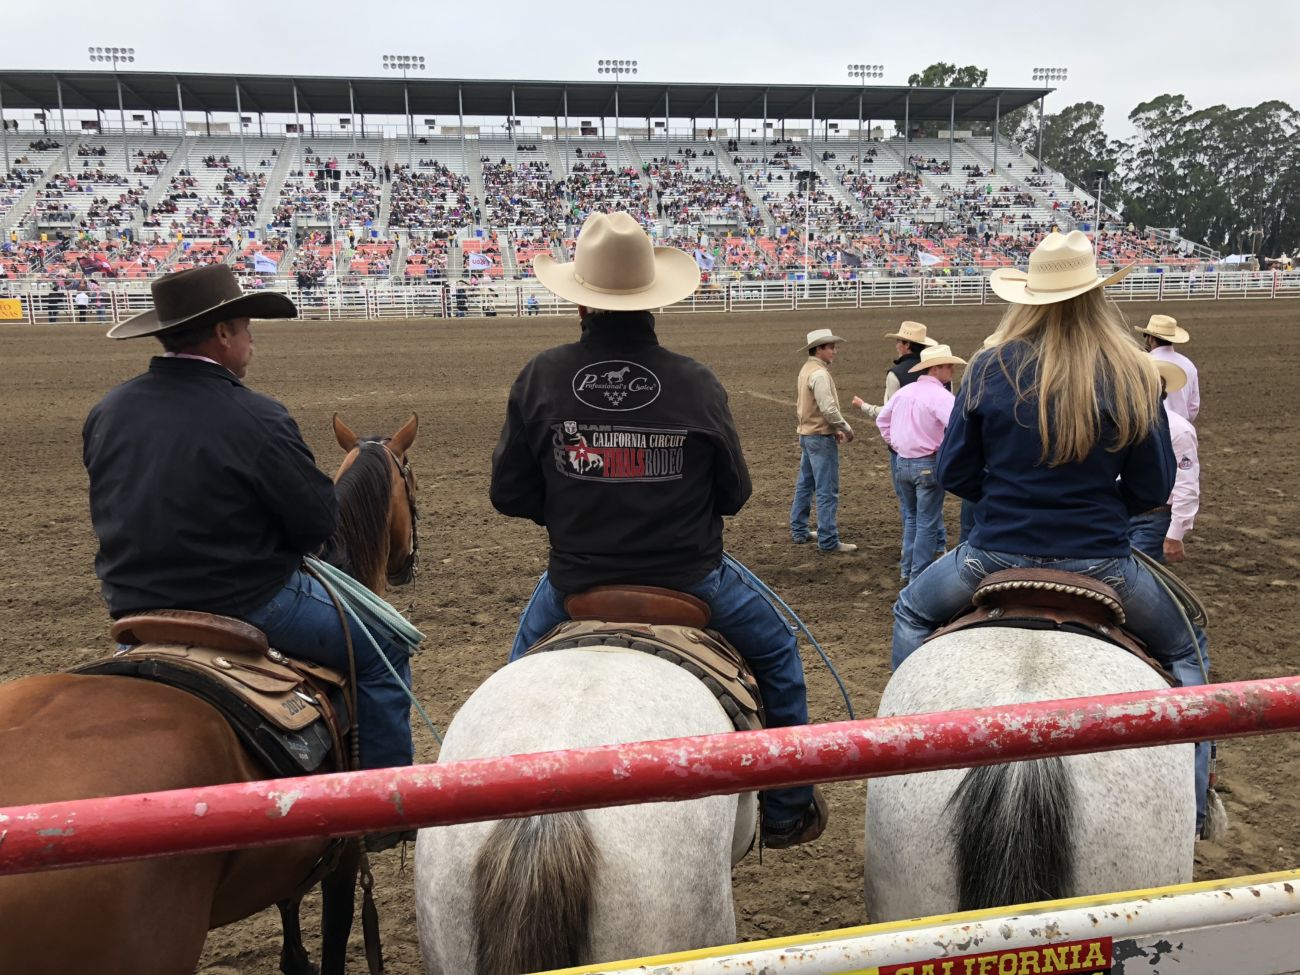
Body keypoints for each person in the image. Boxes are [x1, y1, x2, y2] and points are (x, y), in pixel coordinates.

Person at [490, 211, 827, 849]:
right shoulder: (696, 381)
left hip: (576, 582)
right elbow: (735, 493)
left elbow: (508, 493)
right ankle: (785, 805)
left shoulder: (540, 375)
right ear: (654, 303)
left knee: (514, 684)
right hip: (692, 578)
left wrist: (575, 503)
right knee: (779, 654)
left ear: (581, 305)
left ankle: (508, 795)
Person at [889, 230, 1211, 835]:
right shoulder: (1134, 372)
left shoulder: (989, 366)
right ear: (1094, 293)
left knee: (910, 611)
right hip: (1102, 560)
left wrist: (1011, 497)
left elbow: (957, 471)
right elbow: (1150, 489)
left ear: (1029, 297)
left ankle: (905, 755)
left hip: (991, 555)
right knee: (1186, 643)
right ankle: (1194, 800)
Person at [82, 266, 416, 847]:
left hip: (133, 603)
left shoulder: (108, 411)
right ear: (222, 334)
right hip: (249, 601)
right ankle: (386, 810)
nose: (252, 341)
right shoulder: (256, 415)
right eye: (247, 328)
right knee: (385, 651)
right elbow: (317, 523)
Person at [851, 321, 942, 577]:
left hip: (904, 451)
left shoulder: (896, 375)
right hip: (933, 451)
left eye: (899, 341)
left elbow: (887, 412)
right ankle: (937, 547)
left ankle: (910, 564)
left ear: (906, 345)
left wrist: (864, 407)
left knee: (911, 510)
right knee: (931, 510)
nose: (897, 345)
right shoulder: (937, 376)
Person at [876, 344, 966, 585]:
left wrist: (894, 443)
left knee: (913, 518)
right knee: (927, 520)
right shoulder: (941, 397)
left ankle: (907, 570)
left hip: (903, 462)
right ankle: (919, 575)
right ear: (935, 369)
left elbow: (882, 419)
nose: (952, 371)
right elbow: (958, 427)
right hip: (928, 463)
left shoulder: (905, 392)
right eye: (949, 366)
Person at [791, 328, 857, 553]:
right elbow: (828, 409)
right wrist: (844, 428)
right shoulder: (819, 374)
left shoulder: (806, 369)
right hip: (820, 438)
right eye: (831, 347)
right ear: (819, 349)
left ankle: (799, 530)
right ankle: (828, 540)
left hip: (807, 434)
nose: (834, 351)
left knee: (805, 484)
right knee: (827, 489)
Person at [1136, 314, 1200, 422]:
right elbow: (1193, 407)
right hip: (1181, 426)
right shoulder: (1188, 365)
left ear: (1151, 338)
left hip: (1153, 427)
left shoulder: (1144, 364)